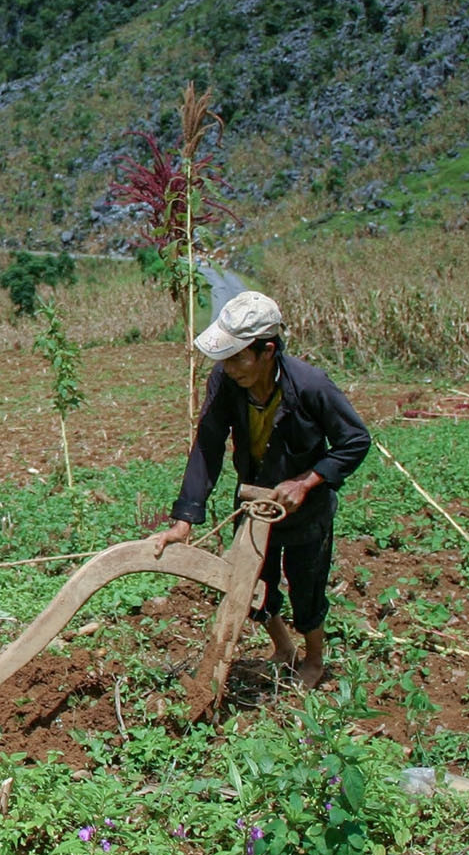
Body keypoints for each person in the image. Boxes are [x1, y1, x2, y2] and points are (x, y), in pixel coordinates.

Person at [150, 291, 370, 688]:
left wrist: (307, 482)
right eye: (225, 358)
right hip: (254, 503)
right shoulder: (225, 382)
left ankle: (314, 659)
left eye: (238, 357)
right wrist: (185, 519)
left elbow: (355, 440)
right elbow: (208, 444)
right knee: (253, 587)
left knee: (307, 587)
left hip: (306, 508)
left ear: (267, 351)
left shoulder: (309, 385)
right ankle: (283, 647)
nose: (229, 367)